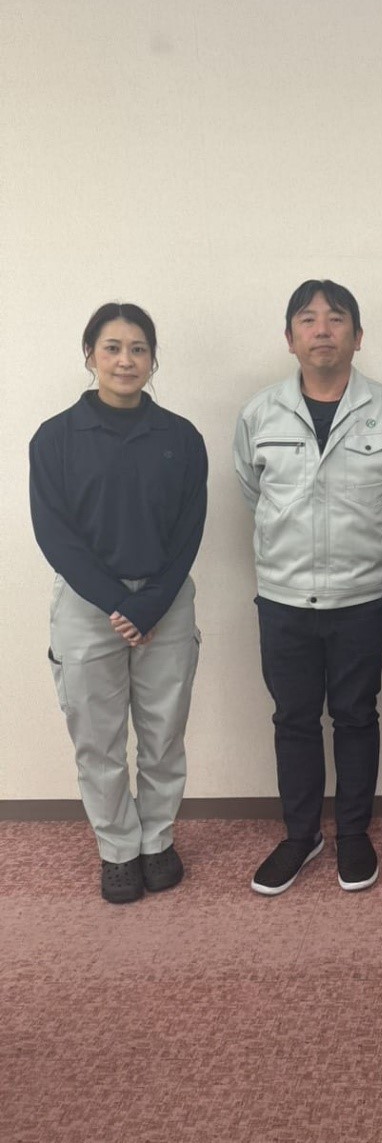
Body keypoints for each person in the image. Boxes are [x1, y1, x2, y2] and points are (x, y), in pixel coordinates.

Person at [234, 280, 382, 896]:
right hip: (283, 598)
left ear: (357, 336)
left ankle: (354, 833)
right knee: (293, 719)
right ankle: (301, 834)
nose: (322, 330)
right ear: (289, 338)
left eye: (336, 319)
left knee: (357, 716)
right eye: (307, 320)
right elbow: (253, 492)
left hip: (361, 598)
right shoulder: (260, 414)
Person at [29, 303, 207, 905]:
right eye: (112, 347)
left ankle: (157, 840)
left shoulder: (181, 437)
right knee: (97, 739)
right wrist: (116, 602)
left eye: (138, 348)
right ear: (90, 356)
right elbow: (54, 534)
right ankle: (118, 850)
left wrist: (150, 604)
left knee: (163, 733)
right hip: (87, 606)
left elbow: (189, 528)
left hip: (166, 602)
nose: (125, 360)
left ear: (153, 358)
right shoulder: (55, 438)